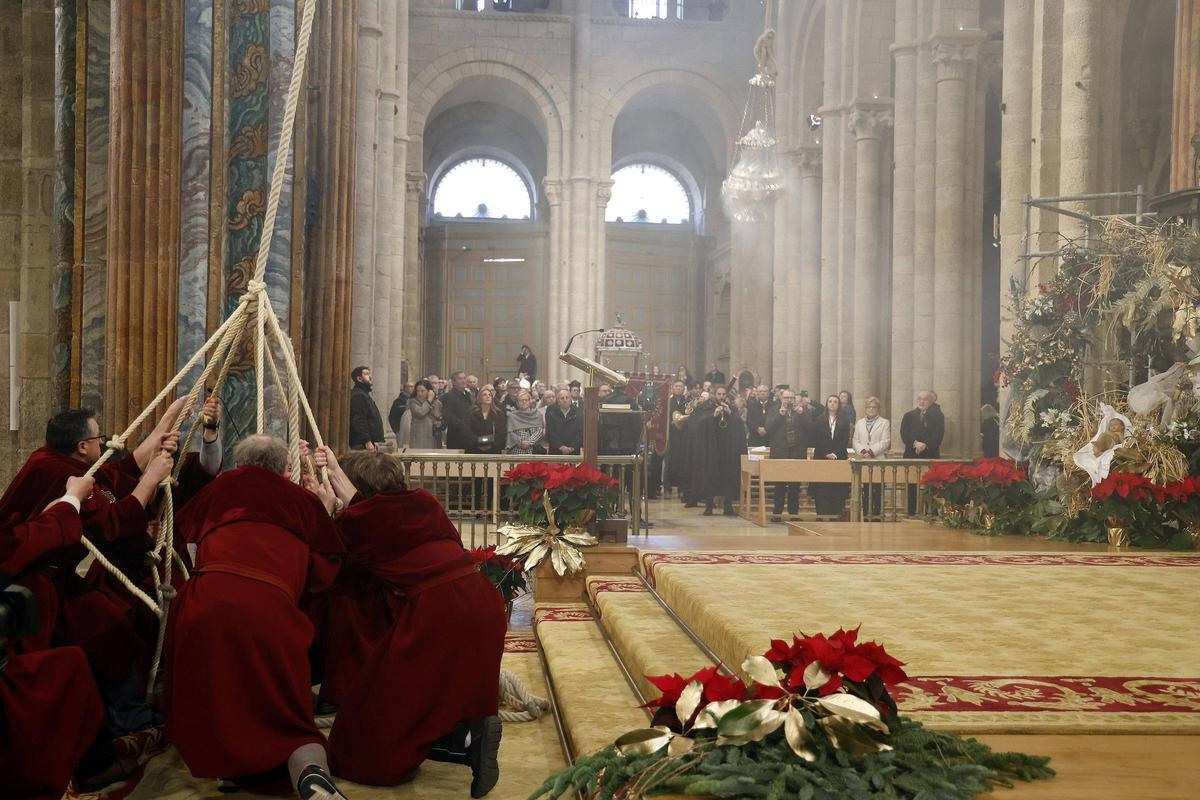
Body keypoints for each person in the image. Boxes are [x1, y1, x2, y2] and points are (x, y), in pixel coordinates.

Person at [310, 449, 505, 795]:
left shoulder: (360, 523)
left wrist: (325, 511)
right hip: (483, 601)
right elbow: (384, 521)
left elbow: (328, 573)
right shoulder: (425, 505)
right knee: (432, 695)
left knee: (364, 733)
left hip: (439, 613)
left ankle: (467, 738)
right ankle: (470, 734)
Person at [163, 435, 348, 800]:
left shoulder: (220, 489)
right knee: (287, 714)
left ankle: (231, 767)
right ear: (285, 469)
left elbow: (178, 536)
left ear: (238, 463)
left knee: (221, 694)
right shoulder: (301, 500)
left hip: (204, 603)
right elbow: (325, 572)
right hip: (268, 607)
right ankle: (311, 773)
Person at [0, 475, 143, 796]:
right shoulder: (49, 467)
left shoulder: (49, 466)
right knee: (73, 663)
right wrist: (70, 500)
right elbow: (22, 545)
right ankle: (96, 763)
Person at [689, 385, 746, 516]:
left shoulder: (731, 408)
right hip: (711, 449)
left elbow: (740, 426)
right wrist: (713, 416)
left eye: (723, 394)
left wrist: (730, 414)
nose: (721, 396)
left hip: (727, 449)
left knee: (728, 477)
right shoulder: (706, 408)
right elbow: (698, 425)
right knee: (710, 477)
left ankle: (728, 505)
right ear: (715, 394)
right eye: (719, 394)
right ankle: (709, 506)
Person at [901, 390, 945, 513]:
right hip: (911, 454)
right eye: (919, 398)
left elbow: (938, 435)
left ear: (931, 401)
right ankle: (911, 512)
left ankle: (931, 513)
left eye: (925, 399)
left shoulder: (938, 416)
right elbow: (904, 434)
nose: (921, 401)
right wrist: (915, 443)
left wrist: (925, 445)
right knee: (911, 485)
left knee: (931, 487)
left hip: (930, 455)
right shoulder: (908, 415)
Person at [766, 390, 806, 521]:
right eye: (786, 397)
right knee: (780, 485)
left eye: (791, 398)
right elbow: (768, 428)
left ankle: (794, 514)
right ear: (780, 398)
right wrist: (779, 415)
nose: (788, 400)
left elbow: (811, 428)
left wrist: (803, 413)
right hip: (780, 451)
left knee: (795, 485)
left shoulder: (800, 411)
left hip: (796, 452)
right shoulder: (774, 410)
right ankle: (777, 513)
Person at [809, 395, 851, 517]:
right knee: (822, 487)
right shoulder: (818, 420)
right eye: (830, 401)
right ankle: (822, 514)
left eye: (835, 402)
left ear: (839, 405)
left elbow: (845, 439)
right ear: (827, 404)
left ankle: (837, 514)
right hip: (822, 457)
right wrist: (826, 453)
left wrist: (835, 453)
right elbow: (816, 439)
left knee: (837, 487)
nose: (832, 404)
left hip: (839, 457)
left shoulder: (844, 421)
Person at [852, 397, 892, 519]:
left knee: (877, 489)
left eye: (873, 407)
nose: (871, 409)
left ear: (878, 409)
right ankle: (866, 514)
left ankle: (877, 515)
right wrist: (863, 451)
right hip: (863, 460)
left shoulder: (884, 422)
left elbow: (885, 441)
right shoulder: (860, 423)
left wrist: (871, 451)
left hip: (878, 459)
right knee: (865, 490)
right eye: (868, 407)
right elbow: (855, 440)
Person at [398, 379, 442, 450]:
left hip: (433, 437)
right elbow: (420, 413)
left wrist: (438, 419)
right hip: (418, 438)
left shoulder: (437, 403)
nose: (420, 393)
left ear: (429, 391)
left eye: (422, 391)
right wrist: (429, 400)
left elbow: (439, 417)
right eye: (418, 391)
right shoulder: (413, 402)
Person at [349, 366, 385, 451]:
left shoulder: (364, 394)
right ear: (359, 378)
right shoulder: (358, 395)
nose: (370, 377)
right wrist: (367, 441)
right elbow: (359, 420)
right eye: (366, 374)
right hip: (361, 443)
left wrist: (374, 440)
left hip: (368, 442)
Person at [441, 372, 475, 451]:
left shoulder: (468, 395)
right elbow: (448, 415)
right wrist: (463, 425)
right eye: (460, 379)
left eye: (464, 378)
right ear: (453, 382)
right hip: (456, 436)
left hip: (470, 435)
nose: (463, 381)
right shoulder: (449, 396)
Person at [467, 386, 506, 455]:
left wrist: (490, 444)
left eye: (490, 395)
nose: (488, 397)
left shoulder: (499, 414)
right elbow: (466, 431)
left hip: (493, 450)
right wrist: (477, 442)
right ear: (479, 398)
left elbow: (501, 433)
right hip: (474, 450)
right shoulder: (471, 413)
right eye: (484, 395)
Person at [506, 389, 546, 454]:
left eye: (526, 400)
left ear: (529, 401)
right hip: (517, 449)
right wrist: (521, 442)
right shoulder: (512, 416)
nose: (524, 402)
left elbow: (540, 431)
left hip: (533, 449)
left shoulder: (537, 414)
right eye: (521, 400)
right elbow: (510, 433)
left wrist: (529, 442)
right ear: (517, 402)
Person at [546, 388, 583, 455]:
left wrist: (572, 447)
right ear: (558, 401)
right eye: (562, 398)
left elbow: (581, 434)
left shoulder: (579, 414)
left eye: (567, 398)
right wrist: (561, 447)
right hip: (556, 451)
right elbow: (550, 433)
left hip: (573, 452)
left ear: (571, 400)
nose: (565, 400)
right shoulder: (551, 415)